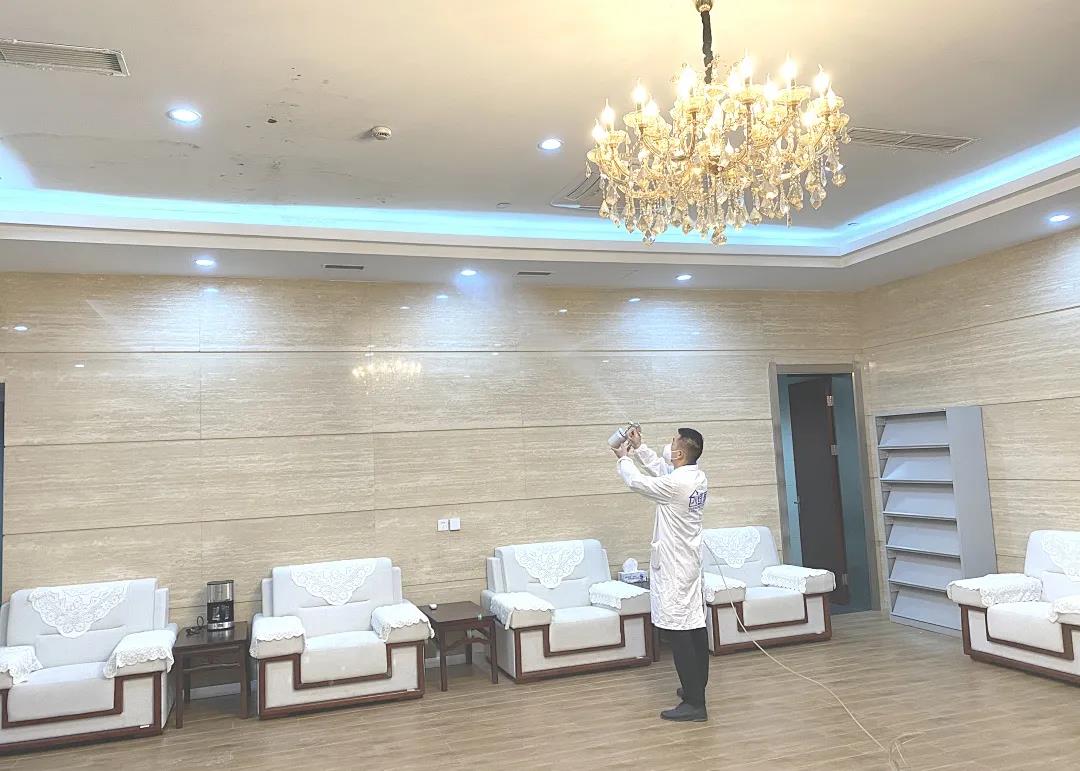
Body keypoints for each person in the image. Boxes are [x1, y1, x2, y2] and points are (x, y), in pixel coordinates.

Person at [613, 426, 710, 722]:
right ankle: (695, 688)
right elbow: (662, 471)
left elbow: (639, 482)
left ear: (679, 453)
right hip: (689, 563)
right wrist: (640, 448)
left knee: (679, 633)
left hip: (675, 568)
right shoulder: (695, 476)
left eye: (672, 442)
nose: (669, 445)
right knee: (694, 625)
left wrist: (623, 458)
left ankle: (695, 704)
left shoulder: (677, 484)